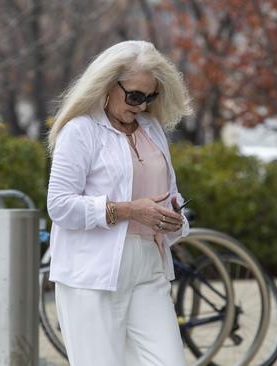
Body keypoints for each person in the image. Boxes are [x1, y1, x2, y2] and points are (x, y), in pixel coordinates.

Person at [46, 40, 192, 366]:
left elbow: (171, 193)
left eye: (150, 97)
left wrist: (175, 216)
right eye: (134, 96)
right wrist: (127, 210)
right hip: (93, 275)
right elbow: (59, 205)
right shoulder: (80, 132)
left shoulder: (152, 129)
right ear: (108, 85)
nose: (141, 106)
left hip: (149, 267)